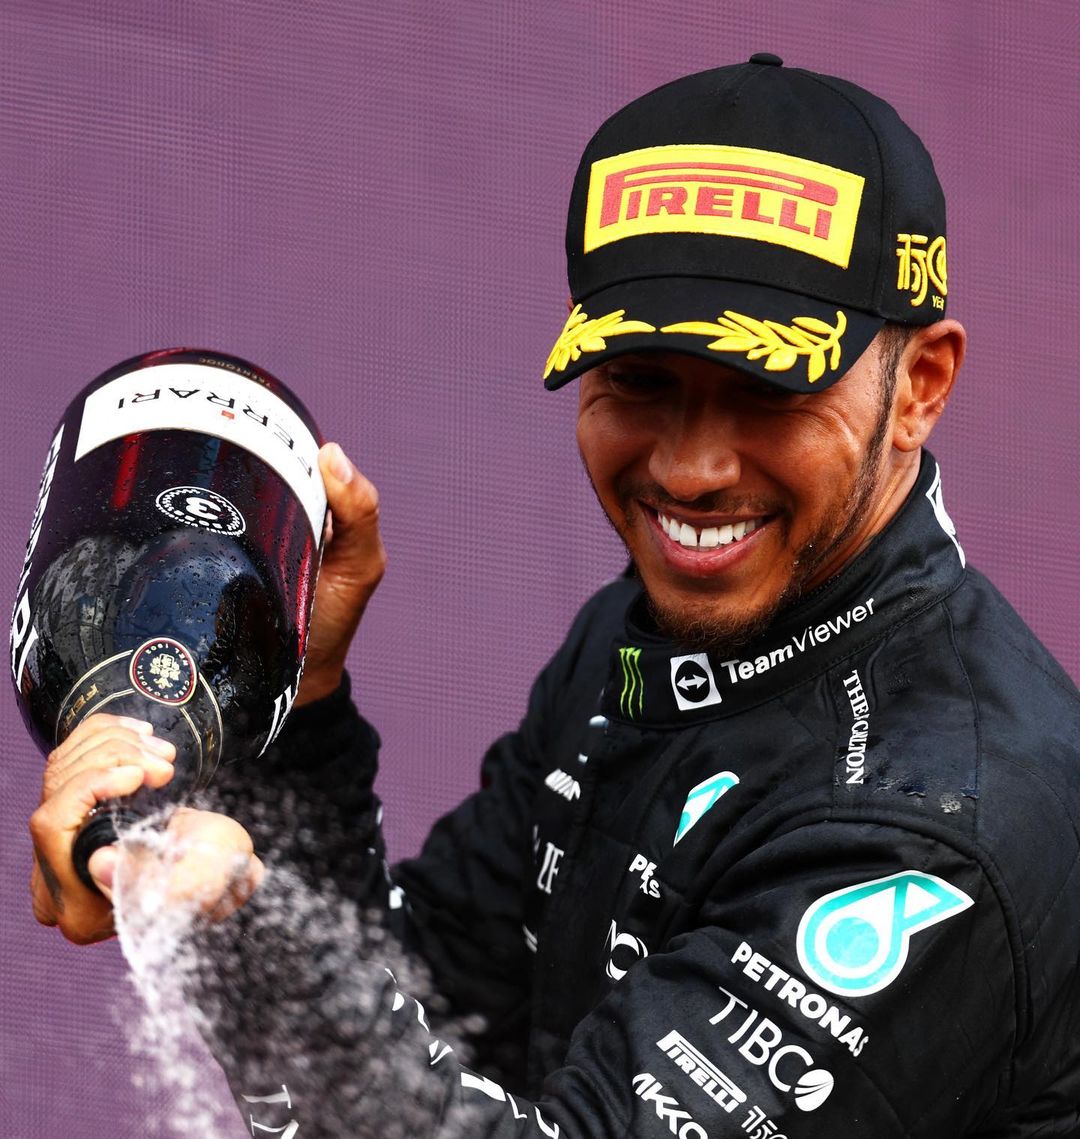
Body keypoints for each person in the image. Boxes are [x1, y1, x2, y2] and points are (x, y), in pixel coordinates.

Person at [29, 55, 1080, 1137]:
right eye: (638, 380)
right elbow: (427, 1019)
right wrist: (290, 706)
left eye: (767, 391)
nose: (689, 469)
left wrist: (256, 944)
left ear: (920, 387)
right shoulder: (652, 636)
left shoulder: (937, 829)